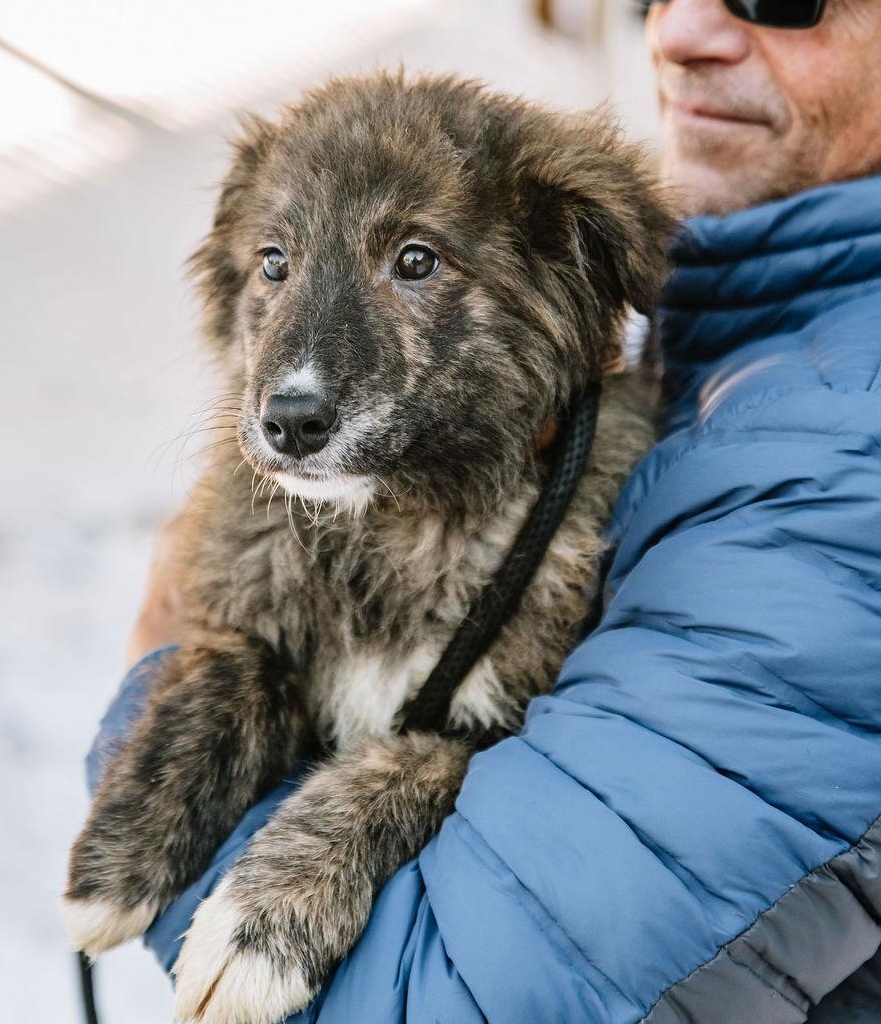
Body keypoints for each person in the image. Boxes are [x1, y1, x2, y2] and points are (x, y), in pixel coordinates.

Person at [89, 1, 881, 1020]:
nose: (679, 30)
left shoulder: (837, 474)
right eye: (275, 265)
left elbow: (477, 988)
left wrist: (152, 672)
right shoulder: (740, 329)